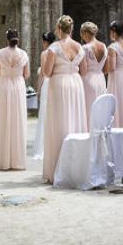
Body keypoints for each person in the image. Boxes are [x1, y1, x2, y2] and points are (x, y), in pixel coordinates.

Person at [39, 15, 89, 183]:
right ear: (72, 29)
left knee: (59, 124)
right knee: (74, 121)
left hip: (59, 84)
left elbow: (46, 72)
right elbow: (84, 71)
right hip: (76, 84)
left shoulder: (54, 47)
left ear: (59, 29)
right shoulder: (79, 47)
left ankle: (58, 170)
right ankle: (75, 168)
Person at [0, 29, 29, 170]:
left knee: (4, 119)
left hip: (5, 85)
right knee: (17, 120)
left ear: (7, 39)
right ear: (17, 39)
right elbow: (27, 74)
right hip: (18, 86)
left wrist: (6, 71)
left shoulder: (0, 53)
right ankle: (17, 160)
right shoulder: (24, 54)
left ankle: (4, 160)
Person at [32, 32, 56, 161]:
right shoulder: (58, 50)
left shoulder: (45, 53)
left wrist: (38, 90)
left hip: (47, 83)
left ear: (45, 42)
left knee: (45, 113)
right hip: (56, 83)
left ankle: (43, 146)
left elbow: (43, 74)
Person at [105, 21, 123, 127]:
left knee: (117, 102)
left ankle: (117, 125)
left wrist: (102, 70)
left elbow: (111, 67)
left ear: (113, 32)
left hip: (117, 77)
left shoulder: (113, 47)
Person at [79, 21, 107, 125]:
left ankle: (90, 136)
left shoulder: (85, 48)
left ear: (85, 32)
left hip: (88, 81)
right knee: (100, 109)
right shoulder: (104, 46)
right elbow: (106, 68)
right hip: (101, 79)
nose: (81, 36)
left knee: (89, 109)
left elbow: (84, 70)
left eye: (81, 33)